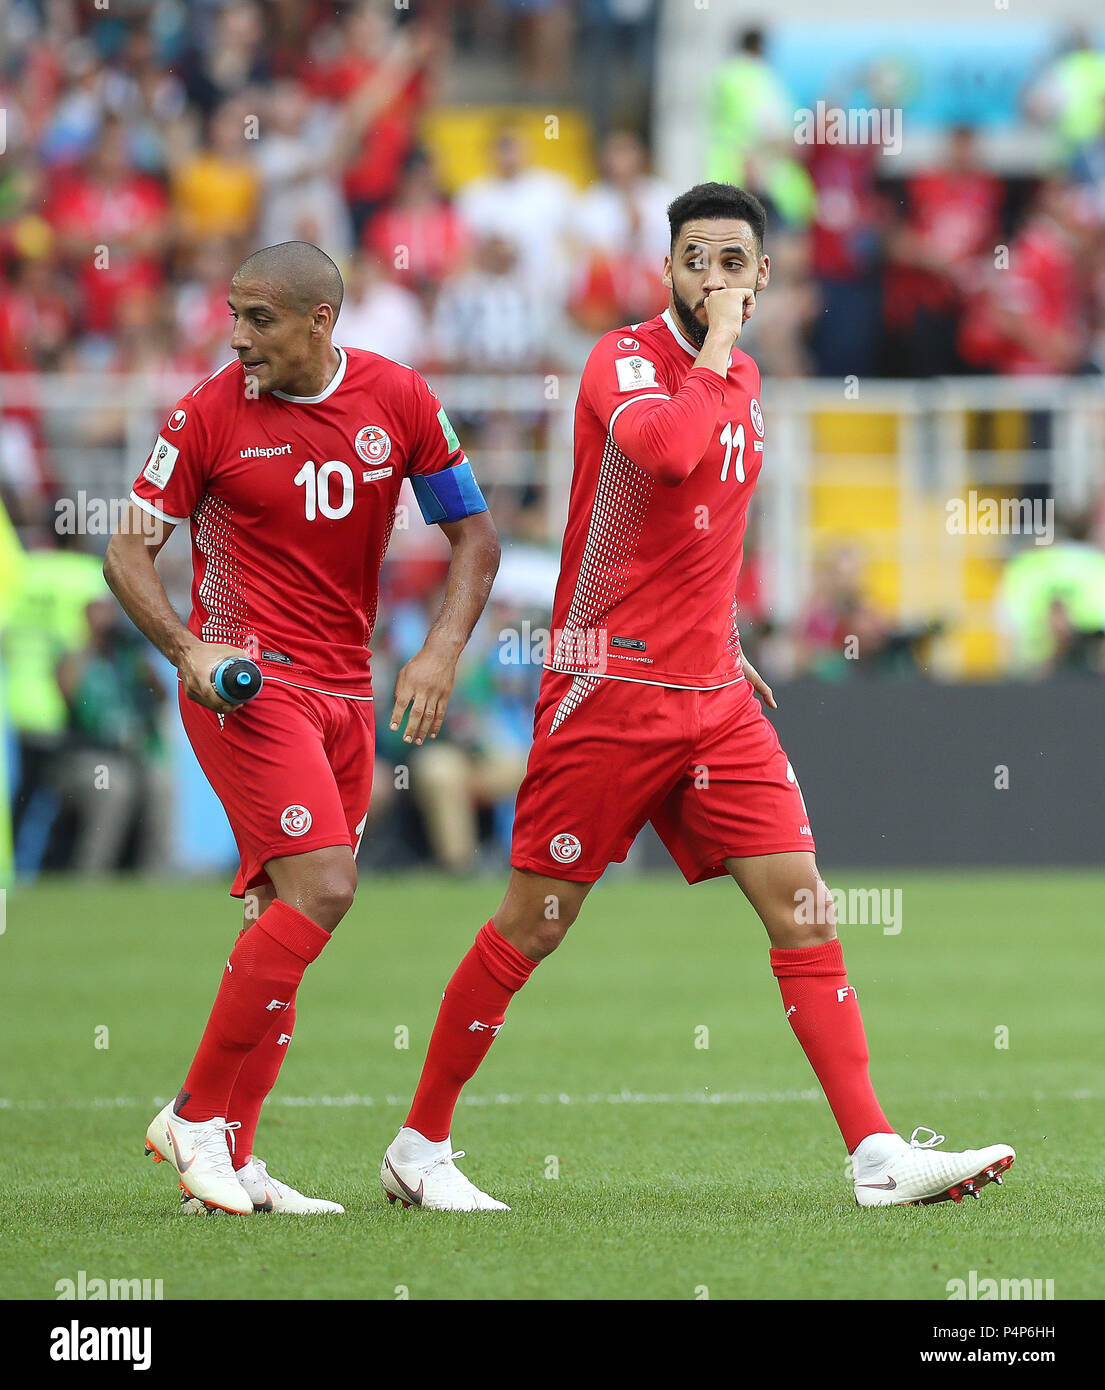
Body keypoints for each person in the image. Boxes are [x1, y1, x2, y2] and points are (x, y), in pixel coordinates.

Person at [381, 184, 1015, 1213]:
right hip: (611, 685)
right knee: (535, 922)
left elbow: (705, 523)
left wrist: (723, 635)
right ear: (665, 269)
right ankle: (419, 1143)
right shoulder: (623, 362)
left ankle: (874, 1153)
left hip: (712, 695)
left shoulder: (746, 376)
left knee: (804, 907)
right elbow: (667, 454)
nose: (714, 276)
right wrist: (715, 344)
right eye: (695, 258)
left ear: (766, 272)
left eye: (734, 260)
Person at [103, 240, 499, 1215]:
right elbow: (126, 551)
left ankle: (232, 1165)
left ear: (321, 320)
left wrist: (439, 652)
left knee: (279, 919)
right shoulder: (206, 413)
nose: (238, 338)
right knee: (324, 887)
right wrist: (188, 649)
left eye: (260, 319)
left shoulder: (399, 401)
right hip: (247, 687)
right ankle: (193, 1117)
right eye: (233, 316)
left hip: (346, 697)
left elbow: (474, 539)